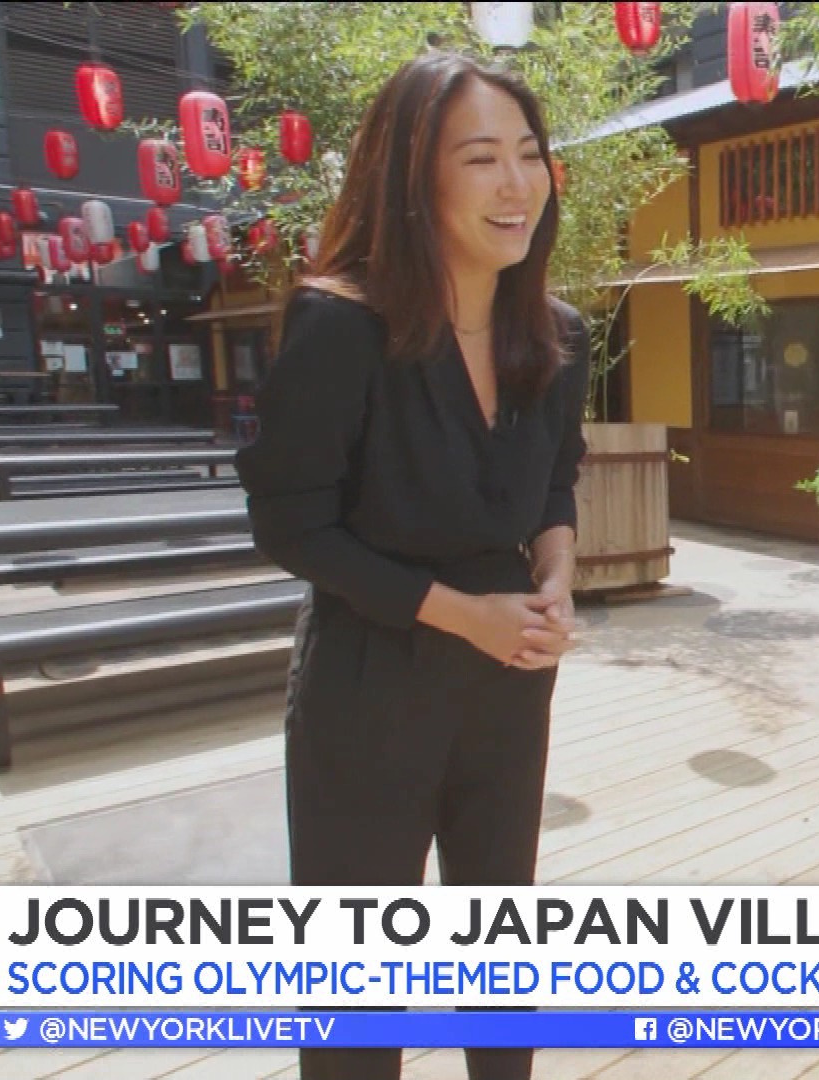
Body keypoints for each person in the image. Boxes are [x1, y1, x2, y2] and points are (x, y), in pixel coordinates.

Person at [233, 49, 589, 1080]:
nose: (517, 184)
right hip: (370, 680)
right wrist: (462, 613)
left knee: (499, 947)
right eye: (481, 158)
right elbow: (291, 525)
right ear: (413, 178)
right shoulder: (341, 323)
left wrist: (556, 576)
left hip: (507, 681)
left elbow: (555, 484)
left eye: (530, 154)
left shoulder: (553, 332)